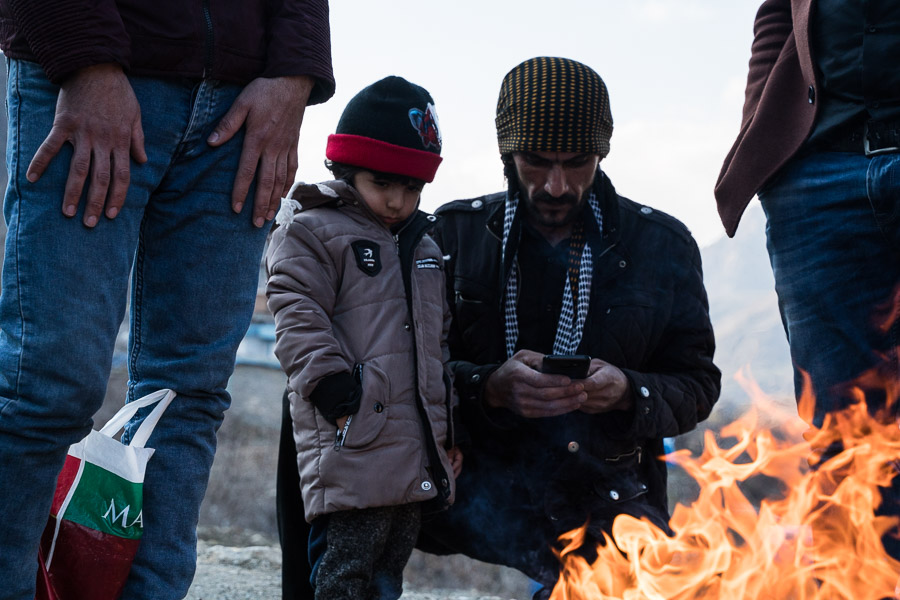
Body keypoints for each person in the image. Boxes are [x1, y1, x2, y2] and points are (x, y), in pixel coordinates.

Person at [0, 2, 334, 599]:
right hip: (93, 71)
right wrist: (84, 59)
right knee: (45, 384)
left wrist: (294, 77)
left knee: (185, 399)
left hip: (244, 102)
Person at [415, 56, 721, 598]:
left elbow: (697, 386)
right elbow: (410, 371)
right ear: (507, 153)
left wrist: (628, 391)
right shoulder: (454, 234)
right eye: (536, 162)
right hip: (474, 480)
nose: (556, 186)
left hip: (603, 491)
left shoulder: (662, 245)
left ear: (601, 154)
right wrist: (489, 387)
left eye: (577, 163)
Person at [265, 76, 463, 600]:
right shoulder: (312, 230)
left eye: (413, 188)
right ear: (347, 169)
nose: (398, 200)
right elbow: (296, 312)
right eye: (383, 182)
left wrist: (447, 432)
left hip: (413, 448)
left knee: (387, 572)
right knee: (342, 571)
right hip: (351, 439)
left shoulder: (424, 247)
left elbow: (438, 346)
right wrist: (337, 392)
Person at [715, 0, 900, 558]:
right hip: (820, 179)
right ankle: (865, 584)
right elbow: (780, 11)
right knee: (843, 439)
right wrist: (762, 130)